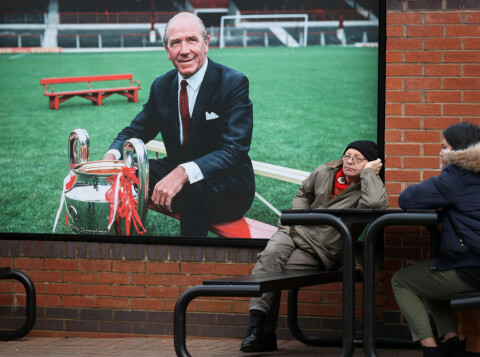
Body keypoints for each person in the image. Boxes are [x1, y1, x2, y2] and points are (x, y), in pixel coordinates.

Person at [103, 12, 255, 237]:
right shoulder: (162, 86)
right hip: (177, 169)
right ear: (167, 51)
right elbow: (136, 131)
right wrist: (111, 158)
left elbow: (234, 150)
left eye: (191, 40)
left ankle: (189, 264)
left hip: (228, 182)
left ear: (206, 44)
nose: (184, 50)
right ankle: (127, 248)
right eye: (176, 43)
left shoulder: (233, 83)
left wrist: (183, 172)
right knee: (127, 174)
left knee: (196, 191)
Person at [240, 140, 388, 353]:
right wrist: (301, 217)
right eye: (347, 155)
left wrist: (368, 174)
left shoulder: (369, 187)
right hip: (293, 232)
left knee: (274, 270)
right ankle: (255, 327)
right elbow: (304, 193)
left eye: (358, 158)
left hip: (320, 250)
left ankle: (264, 334)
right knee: (270, 256)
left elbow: (375, 204)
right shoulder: (324, 171)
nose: (350, 161)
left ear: (370, 164)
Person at [392, 122, 480, 357]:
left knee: (401, 280)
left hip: (472, 268)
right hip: (471, 264)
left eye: (444, 147)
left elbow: (407, 199)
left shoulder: (457, 176)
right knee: (433, 273)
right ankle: (452, 343)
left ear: (458, 150)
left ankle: (431, 350)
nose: (440, 152)